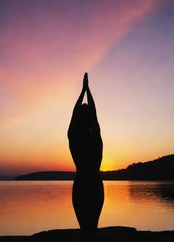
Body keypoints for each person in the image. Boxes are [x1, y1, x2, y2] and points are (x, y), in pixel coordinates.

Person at [68, 73, 104, 241]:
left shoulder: (73, 137)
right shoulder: (96, 137)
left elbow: (75, 114)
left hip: (82, 182)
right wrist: (87, 90)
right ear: (90, 119)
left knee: (84, 228)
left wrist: (82, 91)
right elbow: (93, 112)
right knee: (92, 228)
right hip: (94, 182)